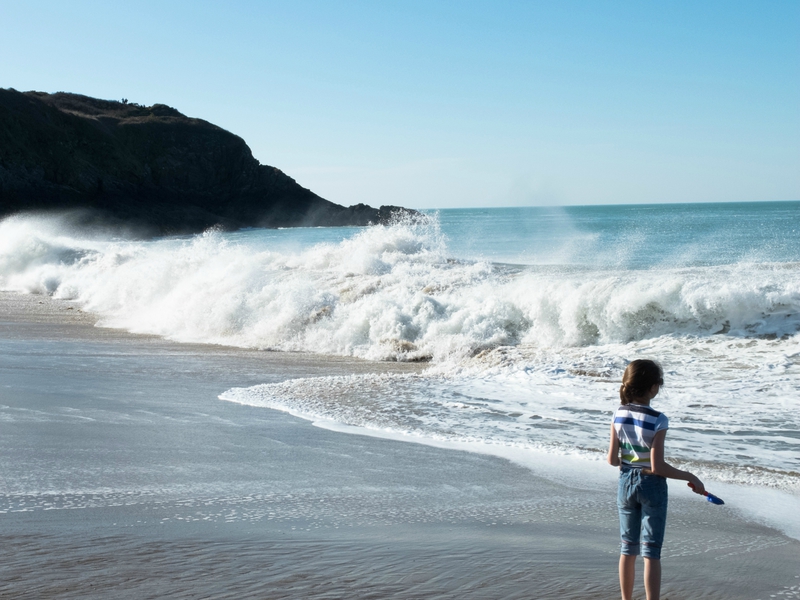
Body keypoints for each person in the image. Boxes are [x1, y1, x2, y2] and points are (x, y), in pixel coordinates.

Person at [607, 359, 705, 600]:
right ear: (653, 388)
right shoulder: (658, 419)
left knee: (627, 548)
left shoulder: (618, 413)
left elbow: (611, 459)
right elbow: (657, 466)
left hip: (625, 483)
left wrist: (631, 465)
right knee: (651, 551)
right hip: (651, 485)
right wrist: (690, 476)